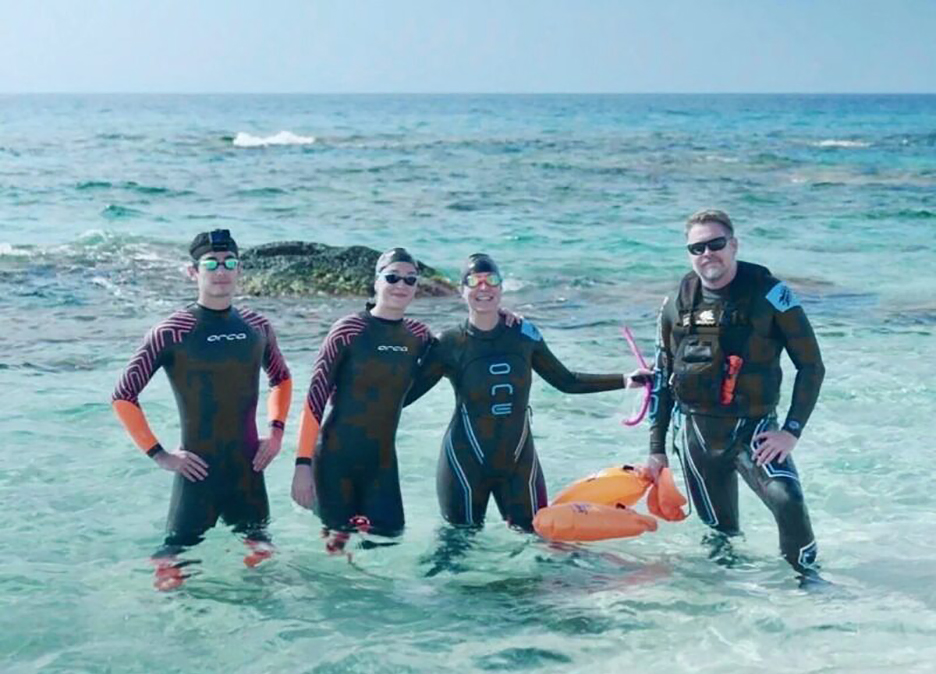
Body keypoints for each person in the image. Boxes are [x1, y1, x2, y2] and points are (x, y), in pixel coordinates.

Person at [405, 253, 650, 532]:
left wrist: (625, 379)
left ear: (501, 287)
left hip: (519, 463)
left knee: (537, 540)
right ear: (462, 291)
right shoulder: (448, 343)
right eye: (474, 281)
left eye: (492, 280)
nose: (483, 288)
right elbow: (404, 397)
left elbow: (566, 381)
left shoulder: (524, 335)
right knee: (457, 547)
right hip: (463, 463)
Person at [647, 209, 825, 577]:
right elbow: (662, 377)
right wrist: (656, 450)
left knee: (788, 504)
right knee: (720, 536)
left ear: (734, 245)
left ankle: (808, 584)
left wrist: (791, 431)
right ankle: (726, 613)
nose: (707, 254)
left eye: (716, 244)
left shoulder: (772, 295)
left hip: (754, 430)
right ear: (689, 253)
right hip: (697, 436)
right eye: (697, 247)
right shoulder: (674, 304)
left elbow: (811, 366)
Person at [112, 229, 292, 589]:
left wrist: (275, 433)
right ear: (194, 272)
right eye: (211, 263)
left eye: (230, 263)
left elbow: (281, 379)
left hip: (248, 470)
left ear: (239, 270)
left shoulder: (257, 327)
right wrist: (160, 454)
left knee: (266, 567)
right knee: (171, 565)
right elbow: (123, 395)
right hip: (197, 475)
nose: (221, 270)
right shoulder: (172, 331)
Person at [291, 248, 432, 548]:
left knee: (388, 541)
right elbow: (315, 398)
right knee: (337, 548)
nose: (401, 286)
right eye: (392, 277)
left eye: (410, 280)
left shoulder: (419, 336)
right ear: (376, 281)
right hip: (334, 459)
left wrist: (501, 319)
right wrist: (302, 466)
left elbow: (457, 357)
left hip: (381, 462)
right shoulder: (349, 330)